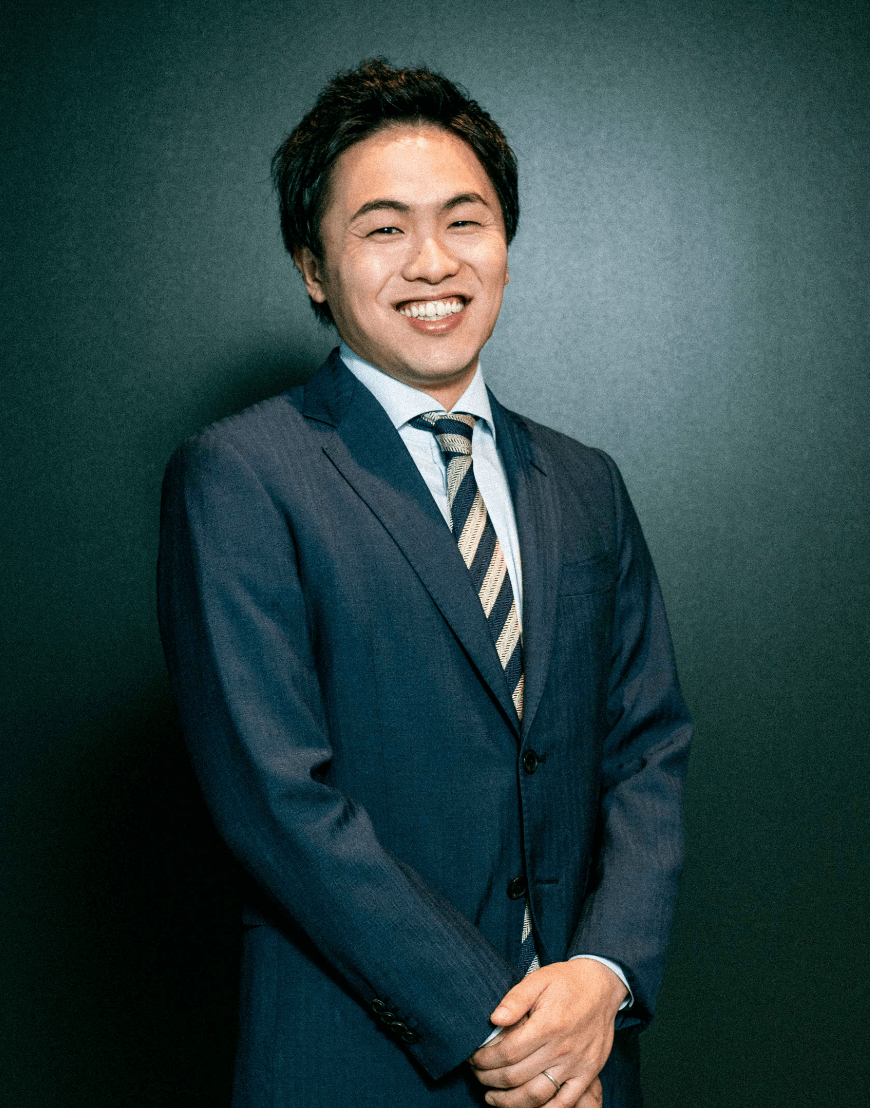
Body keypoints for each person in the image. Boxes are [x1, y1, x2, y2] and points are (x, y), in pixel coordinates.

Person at [157, 59, 692, 1108]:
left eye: (464, 220)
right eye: (383, 228)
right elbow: (277, 798)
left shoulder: (586, 482)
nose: (433, 262)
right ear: (314, 267)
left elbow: (649, 746)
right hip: (365, 1060)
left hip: (586, 1059)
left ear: (506, 243)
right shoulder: (240, 475)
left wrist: (603, 976)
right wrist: (504, 1030)